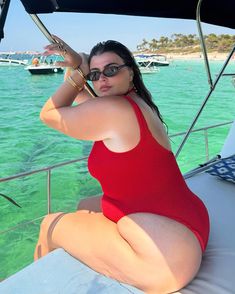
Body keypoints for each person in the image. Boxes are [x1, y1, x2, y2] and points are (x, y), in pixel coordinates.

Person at [35, 35, 210, 294]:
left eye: (112, 69)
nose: (102, 78)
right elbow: (80, 94)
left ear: (131, 72)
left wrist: (81, 70)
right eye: (96, 74)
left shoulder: (113, 111)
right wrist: (78, 63)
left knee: (49, 224)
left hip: (166, 259)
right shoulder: (136, 103)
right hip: (190, 224)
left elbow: (49, 114)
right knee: (85, 206)